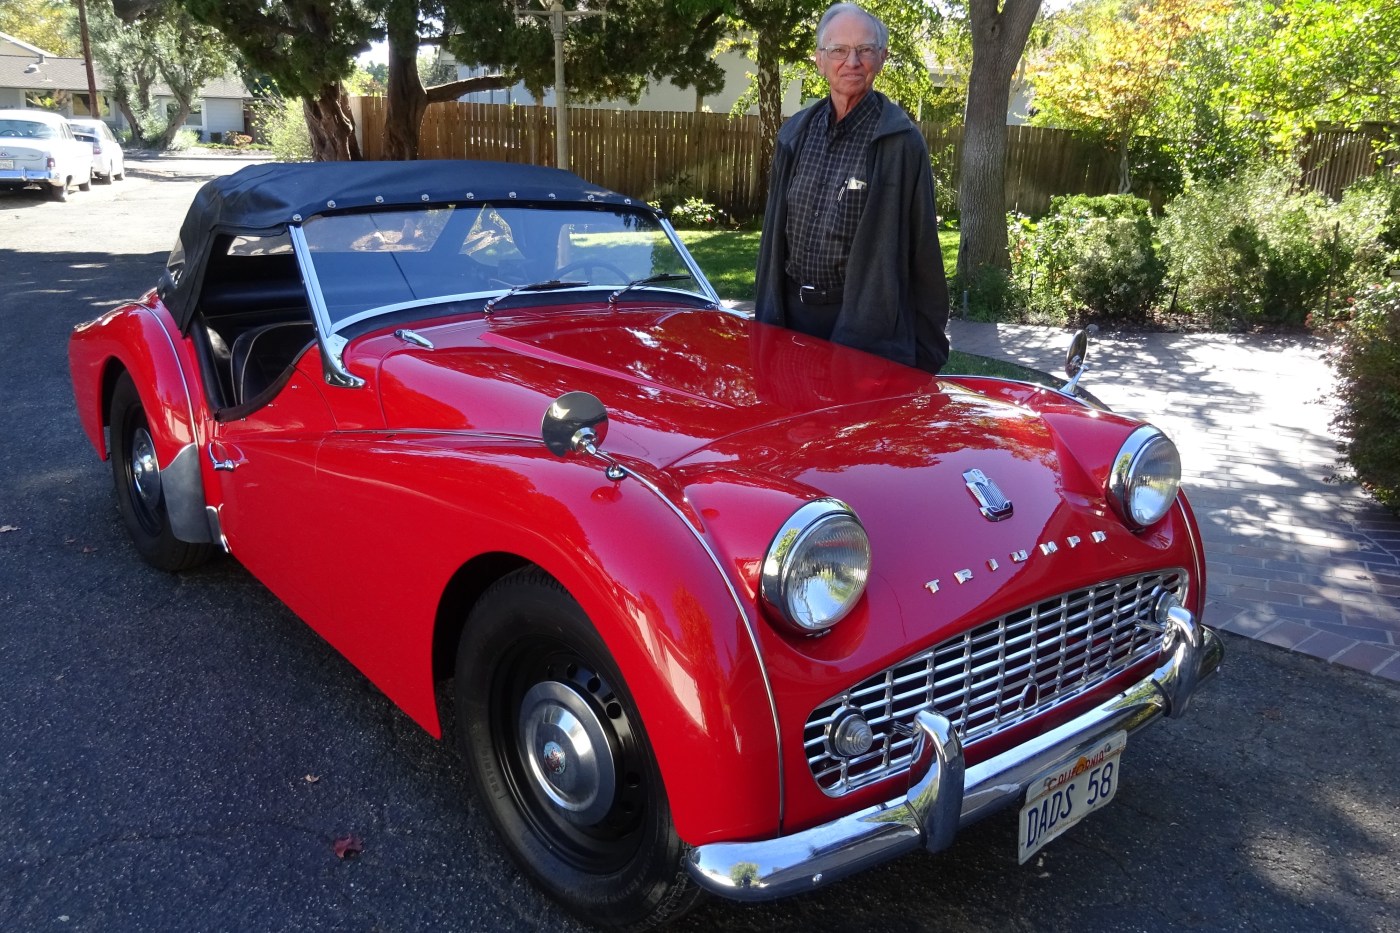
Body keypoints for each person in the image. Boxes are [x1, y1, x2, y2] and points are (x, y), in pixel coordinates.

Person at [754, 2, 950, 374]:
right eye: (839, 50)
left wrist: (925, 353)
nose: (852, 61)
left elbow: (923, 251)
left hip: (863, 332)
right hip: (790, 322)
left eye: (865, 50)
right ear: (819, 60)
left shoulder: (901, 143)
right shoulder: (794, 135)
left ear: (882, 58)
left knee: (847, 431)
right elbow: (772, 241)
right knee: (789, 428)